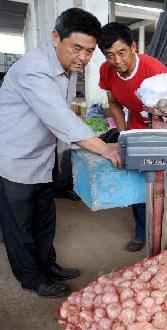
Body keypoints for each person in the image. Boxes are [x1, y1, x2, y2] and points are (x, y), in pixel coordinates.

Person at [0, 8, 122, 298]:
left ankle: (48, 265)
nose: (83, 57)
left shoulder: (67, 69)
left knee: (44, 218)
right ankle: (31, 278)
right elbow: (59, 118)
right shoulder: (34, 69)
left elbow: (64, 115)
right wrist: (104, 147)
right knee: (20, 226)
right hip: (16, 158)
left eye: (90, 51)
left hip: (42, 157)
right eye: (77, 48)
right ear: (56, 37)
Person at [98, 22, 167, 252]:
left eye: (121, 52)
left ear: (133, 47)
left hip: (161, 130)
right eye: (110, 55)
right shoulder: (106, 70)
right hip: (136, 128)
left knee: (162, 186)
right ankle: (141, 231)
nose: (117, 61)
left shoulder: (153, 68)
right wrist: (124, 134)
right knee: (138, 184)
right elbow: (114, 102)